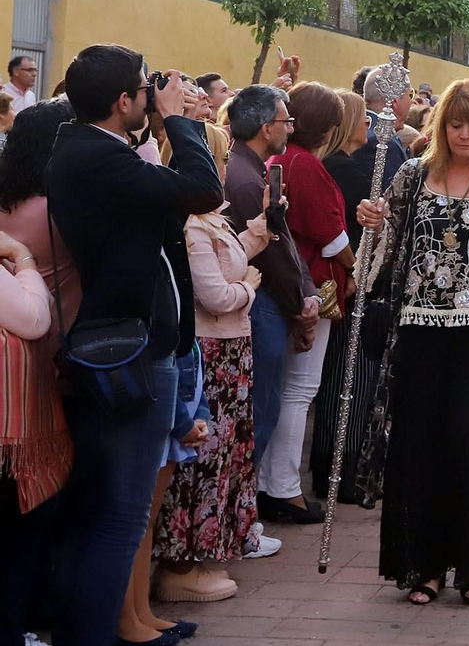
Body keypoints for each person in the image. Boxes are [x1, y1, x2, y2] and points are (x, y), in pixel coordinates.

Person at [44, 45, 224, 646]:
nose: (152, 96)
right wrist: (183, 122)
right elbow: (201, 188)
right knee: (120, 515)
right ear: (123, 101)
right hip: (131, 348)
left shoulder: (94, 150)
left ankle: (116, 625)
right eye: (145, 90)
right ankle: (98, 635)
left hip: (141, 339)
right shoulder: (96, 155)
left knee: (115, 511)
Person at [354, 78, 469, 605]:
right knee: (418, 441)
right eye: (455, 124)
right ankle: (423, 564)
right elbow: (384, 249)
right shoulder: (413, 176)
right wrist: (372, 223)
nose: (464, 134)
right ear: (442, 125)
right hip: (418, 329)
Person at [153, 171, 273, 603]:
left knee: (224, 457)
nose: (221, 173)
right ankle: (180, 563)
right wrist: (249, 289)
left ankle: (200, 554)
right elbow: (215, 295)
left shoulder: (211, 219)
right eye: (216, 162)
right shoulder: (190, 225)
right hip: (212, 352)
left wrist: (262, 226)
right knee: (203, 458)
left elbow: (233, 257)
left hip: (232, 352)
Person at [225, 85, 320, 527]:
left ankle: (244, 516)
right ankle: (240, 521)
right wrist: (302, 301)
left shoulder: (255, 170)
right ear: (267, 128)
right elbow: (272, 252)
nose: (289, 129)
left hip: (269, 301)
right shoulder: (245, 179)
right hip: (261, 304)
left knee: (263, 408)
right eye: (286, 121)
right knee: (259, 413)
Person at [261, 82, 353, 524]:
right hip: (313, 282)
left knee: (287, 390)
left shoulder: (282, 159)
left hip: (293, 280)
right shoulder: (304, 165)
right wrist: (356, 268)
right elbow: (331, 236)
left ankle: (272, 482)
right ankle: (283, 486)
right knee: (299, 390)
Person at [0, 122, 71, 646]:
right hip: (26, 394)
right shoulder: (51, 210)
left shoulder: (10, 201)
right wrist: (23, 261)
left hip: (26, 394)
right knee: (24, 524)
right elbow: (31, 317)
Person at [312, 88, 391, 502]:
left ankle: (333, 468)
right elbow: (349, 236)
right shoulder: (347, 172)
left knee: (340, 380)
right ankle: (341, 471)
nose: (369, 126)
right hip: (350, 288)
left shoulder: (340, 166)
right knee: (351, 381)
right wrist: (357, 271)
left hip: (343, 286)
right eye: (363, 118)